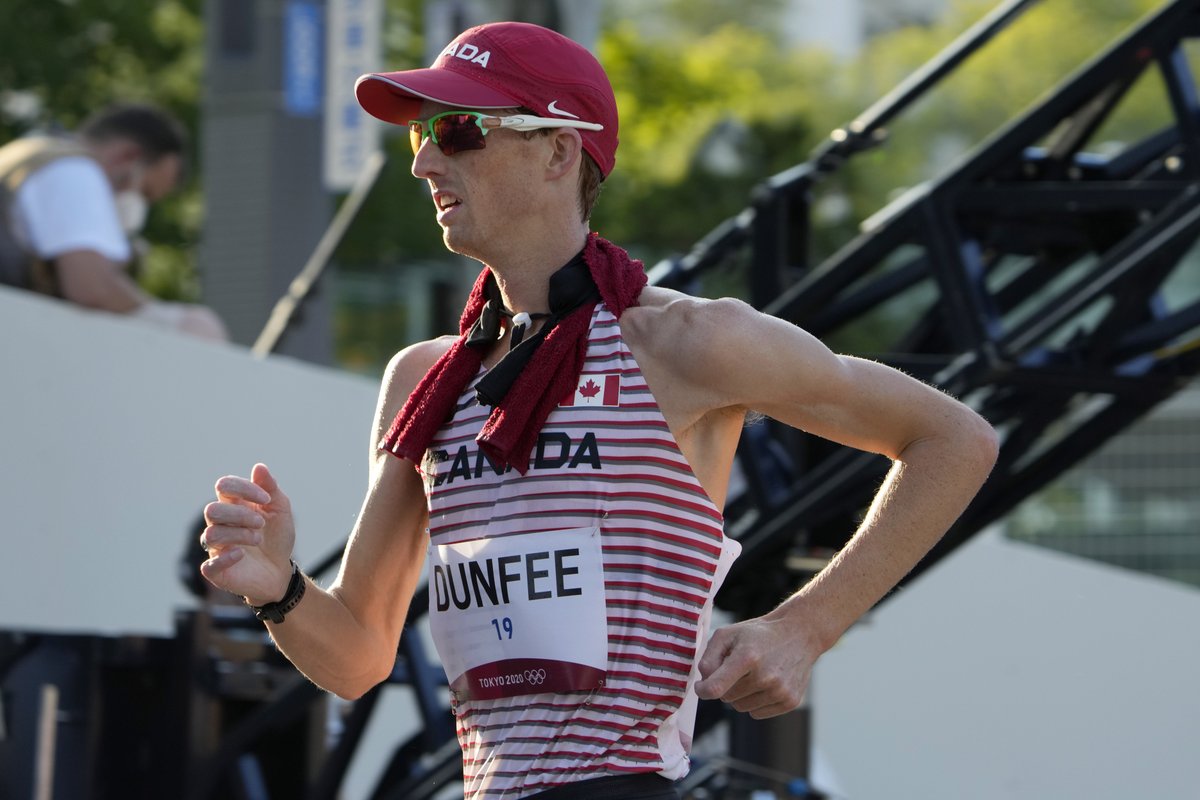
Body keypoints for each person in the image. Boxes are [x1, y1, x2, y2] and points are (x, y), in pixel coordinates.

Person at [199, 21, 998, 800]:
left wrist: (804, 627)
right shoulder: (426, 379)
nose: (427, 161)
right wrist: (279, 589)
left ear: (557, 151)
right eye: (422, 137)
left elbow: (953, 438)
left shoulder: (689, 343)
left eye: (460, 130)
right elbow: (360, 656)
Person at [0, 102, 227, 340]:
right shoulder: (76, 171)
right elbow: (91, 288)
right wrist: (173, 321)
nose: (140, 207)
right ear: (128, 157)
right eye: (145, 193)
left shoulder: (25, 156)